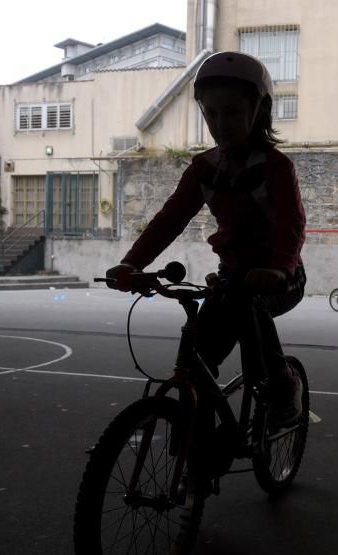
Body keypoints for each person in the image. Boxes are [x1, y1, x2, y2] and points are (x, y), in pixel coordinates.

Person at [105, 51, 306, 428]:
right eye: (210, 114)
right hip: (232, 278)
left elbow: (292, 224)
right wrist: (133, 264)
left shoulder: (277, 168)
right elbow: (170, 219)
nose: (220, 124)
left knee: (251, 315)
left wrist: (280, 268)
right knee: (198, 358)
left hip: (280, 277)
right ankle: (202, 444)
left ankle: (283, 387)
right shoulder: (204, 168)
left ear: (257, 111)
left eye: (231, 112)